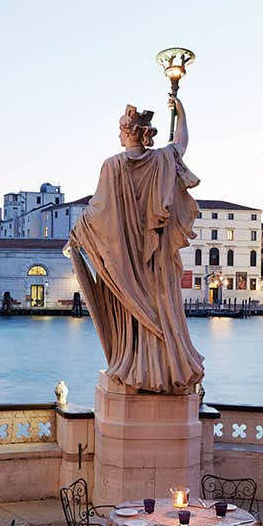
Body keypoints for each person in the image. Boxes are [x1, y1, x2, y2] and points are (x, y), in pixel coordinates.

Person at [66, 96, 204, 394]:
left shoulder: (112, 166)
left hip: (129, 262)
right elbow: (181, 143)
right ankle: (166, 369)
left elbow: (99, 213)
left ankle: (139, 369)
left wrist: (78, 231)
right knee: (165, 309)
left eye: (120, 129)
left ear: (129, 132)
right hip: (158, 262)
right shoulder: (164, 160)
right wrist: (181, 112)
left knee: (134, 313)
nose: (117, 134)